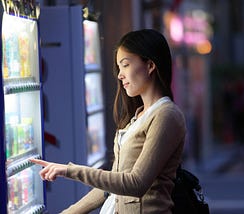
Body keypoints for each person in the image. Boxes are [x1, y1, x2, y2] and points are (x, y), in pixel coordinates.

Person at [30, 29, 186, 214]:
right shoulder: (138, 116)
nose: (120, 75)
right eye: (119, 68)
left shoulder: (166, 115)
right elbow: (111, 186)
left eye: (125, 65)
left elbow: (135, 184)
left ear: (150, 65)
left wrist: (69, 170)